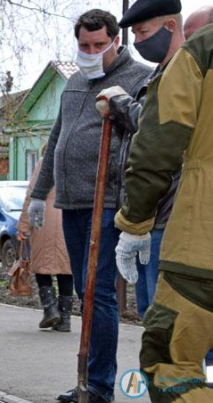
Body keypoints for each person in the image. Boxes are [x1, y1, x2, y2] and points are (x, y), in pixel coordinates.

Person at [27, 9, 152, 403]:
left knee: (98, 293)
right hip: (73, 204)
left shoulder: (140, 78)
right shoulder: (77, 81)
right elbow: (57, 139)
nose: (91, 51)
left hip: (109, 203)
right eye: (84, 45)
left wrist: (119, 107)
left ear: (117, 41)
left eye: (99, 45)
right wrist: (37, 195)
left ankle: (98, 385)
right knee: (85, 289)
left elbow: (146, 131)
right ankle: (91, 380)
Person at [113, 19, 213, 402]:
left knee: (171, 363)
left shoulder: (199, 52)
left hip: (199, 244)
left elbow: (157, 144)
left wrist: (134, 222)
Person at [94, 0, 185, 319]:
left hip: (170, 215)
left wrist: (120, 103)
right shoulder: (162, 73)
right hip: (153, 215)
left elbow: (156, 136)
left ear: (171, 27)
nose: (140, 41)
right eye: (135, 33)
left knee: (169, 317)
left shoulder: (182, 74)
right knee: (152, 313)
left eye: (144, 31)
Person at [17, 145, 73, 332]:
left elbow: (31, 195)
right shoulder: (72, 163)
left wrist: (23, 225)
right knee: (67, 269)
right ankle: (65, 319)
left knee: (42, 265)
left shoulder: (44, 164)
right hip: (69, 219)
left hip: (43, 219)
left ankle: (50, 309)